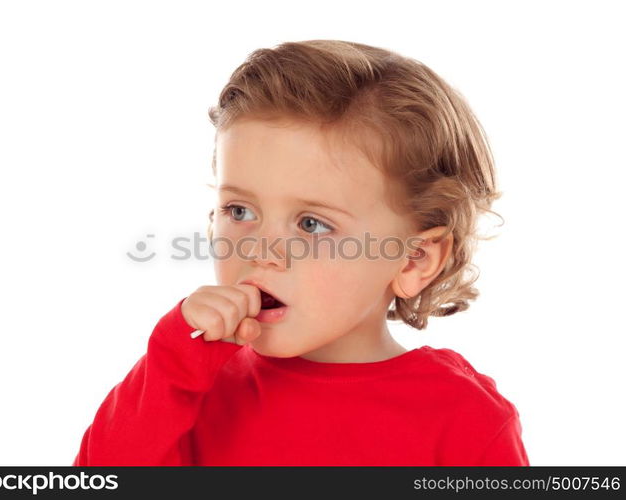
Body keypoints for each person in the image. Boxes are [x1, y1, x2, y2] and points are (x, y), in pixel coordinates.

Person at [72, 40, 529, 466]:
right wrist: (171, 361)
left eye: (311, 224)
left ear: (414, 259)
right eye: (239, 209)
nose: (259, 249)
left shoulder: (462, 418)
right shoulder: (190, 389)